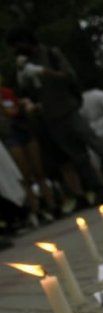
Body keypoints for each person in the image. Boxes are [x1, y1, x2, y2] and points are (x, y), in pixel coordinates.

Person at [6, 27, 103, 200]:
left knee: (96, 145)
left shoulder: (50, 54)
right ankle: (99, 189)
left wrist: (45, 72)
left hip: (68, 109)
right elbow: (27, 92)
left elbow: (69, 76)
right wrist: (23, 75)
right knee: (77, 156)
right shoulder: (24, 64)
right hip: (51, 116)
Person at [0, 74, 56, 222]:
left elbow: (14, 110)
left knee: (39, 171)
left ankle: (51, 205)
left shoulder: (7, 92)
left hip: (23, 130)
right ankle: (35, 209)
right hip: (9, 135)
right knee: (24, 175)